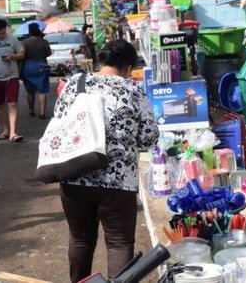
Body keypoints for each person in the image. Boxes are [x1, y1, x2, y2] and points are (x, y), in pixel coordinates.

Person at [53, 39, 159, 282]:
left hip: (74, 174)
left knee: (80, 239)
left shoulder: (73, 84)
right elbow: (149, 137)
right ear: (129, 67)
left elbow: (59, 122)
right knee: (119, 243)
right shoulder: (131, 90)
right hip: (118, 182)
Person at [21, 23, 52, 119]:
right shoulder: (44, 42)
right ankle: (42, 112)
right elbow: (49, 53)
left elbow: (21, 54)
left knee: (30, 91)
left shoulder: (24, 42)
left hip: (28, 66)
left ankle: (31, 110)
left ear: (29, 31)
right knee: (42, 91)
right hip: (41, 65)